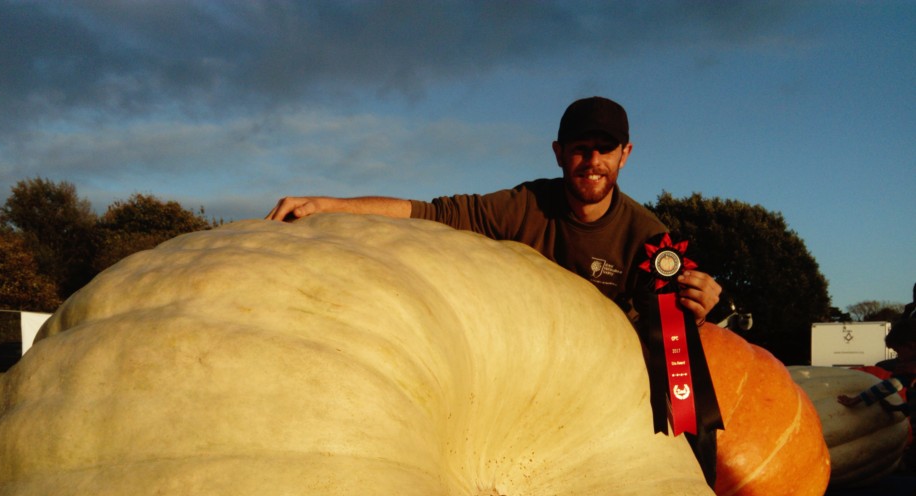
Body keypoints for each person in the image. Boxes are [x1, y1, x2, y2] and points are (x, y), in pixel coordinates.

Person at [266, 96, 722, 325]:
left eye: (605, 149)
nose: (593, 161)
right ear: (559, 153)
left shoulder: (651, 239)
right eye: (581, 149)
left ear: (625, 155)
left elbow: (664, 333)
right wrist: (329, 206)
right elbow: (431, 214)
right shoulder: (524, 205)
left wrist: (699, 308)